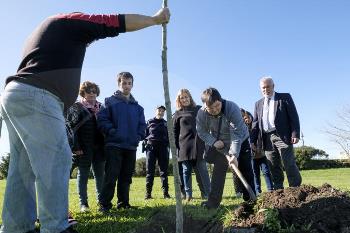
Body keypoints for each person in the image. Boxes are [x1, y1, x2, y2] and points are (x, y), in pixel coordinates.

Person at [0, 8, 170, 233]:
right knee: (56, 160)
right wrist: (154, 20)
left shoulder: (40, 33)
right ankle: (56, 228)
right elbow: (114, 22)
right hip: (39, 96)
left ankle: (16, 228)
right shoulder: (72, 22)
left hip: (15, 95)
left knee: (23, 168)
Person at [196, 87, 256, 209]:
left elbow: (236, 134)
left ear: (220, 100)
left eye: (217, 106)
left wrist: (234, 154)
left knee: (245, 169)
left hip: (241, 140)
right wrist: (213, 142)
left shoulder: (232, 108)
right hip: (220, 144)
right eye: (210, 108)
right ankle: (212, 203)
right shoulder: (201, 114)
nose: (214, 110)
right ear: (204, 106)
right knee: (218, 172)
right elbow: (201, 131)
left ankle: (250, 201)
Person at [97, 71, 146, 213]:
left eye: (129, 83)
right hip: (114, 145)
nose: (126, 86)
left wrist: (138, 136)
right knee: (111, 175)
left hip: (131, 146)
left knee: (126, 176)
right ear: (119, 84)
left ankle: (123, 203)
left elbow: (142, 126)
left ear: (132, 85)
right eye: (124, 83)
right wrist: (112, 131)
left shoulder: (138, 108)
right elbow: (102, 120)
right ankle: (104, 204)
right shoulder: (109, 102)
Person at [251, 76, 302, 190]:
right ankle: (278, 190)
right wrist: (253, 140)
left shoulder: (284, 97)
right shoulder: (258, 104)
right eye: (263, 88)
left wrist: (295, 134)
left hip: (282, 136)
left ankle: (296, 187)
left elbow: (293, 116)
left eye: (268, 87)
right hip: (266, 138)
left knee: (288, 162)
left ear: (273, 86)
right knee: (273, 165)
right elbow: (255, 124)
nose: (266, 90)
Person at [65, 81, 105, 213]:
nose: (92, 94)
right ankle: (84, 204)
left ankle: (102, 203)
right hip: (83, 148)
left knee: (100, 175)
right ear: (83, 93)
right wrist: (75, 147)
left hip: (99, 148)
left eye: (94, 91)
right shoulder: (77, 107)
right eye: (89, 91)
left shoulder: (101, 107)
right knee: (83, 176)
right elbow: (71, 128)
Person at [173, 89, 211, 202]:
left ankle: (208, 194)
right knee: (186, 171)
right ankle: (188, 195)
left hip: (199, 144)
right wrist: (175, 148)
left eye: (186, 97)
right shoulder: (177, 114)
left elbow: (207, 122)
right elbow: (175, 132)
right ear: (179, 100)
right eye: (182, 98)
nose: (184, 99)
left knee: (202, 170)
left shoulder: (198, 109)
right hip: (184, 146)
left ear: (190, 97)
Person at [240, 108, 273, 194]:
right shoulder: (244, 129)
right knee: (255, 174)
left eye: (247, 118)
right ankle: (258, 191)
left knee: (266, 172)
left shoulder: (258, 127)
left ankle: (270, 189)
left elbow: (262, 138)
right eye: (244, 119)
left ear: (251, 117)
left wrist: (259, 148)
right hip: (252, 156)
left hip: (262, 154)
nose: (246, 120)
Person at [143, 105, 171, 199]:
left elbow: (170, 137)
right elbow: (144, 135)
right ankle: (148, 194)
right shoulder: (149, 122)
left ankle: (166, 193)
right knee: (150, 171)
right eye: (159, 110)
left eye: (163, 111)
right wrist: (146, 143)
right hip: (151, 148)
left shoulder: (166, 124)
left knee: (164, 171)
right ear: (156, 111)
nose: (161, 112)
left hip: (163, 148)